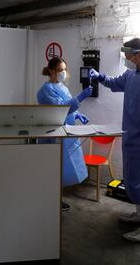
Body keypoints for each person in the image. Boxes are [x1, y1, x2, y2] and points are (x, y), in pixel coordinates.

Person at [89, 38, 140, 243]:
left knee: (138, 182)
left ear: (139, 55)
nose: (126, 59)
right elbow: (114, 83)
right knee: (133, 180)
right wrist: (99, 76)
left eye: (128, 55)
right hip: (130, 136)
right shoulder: (131, 74)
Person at [37, 57, 93, 211]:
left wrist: (77, 115)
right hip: (54, 133)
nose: (63, 73)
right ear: (51, 71)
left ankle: (56, 199)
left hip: (67, 131)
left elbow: (68, 103)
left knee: (63, 168)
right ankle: (51, 201)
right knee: (54, 168)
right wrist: (81, 96)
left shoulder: (62, 87)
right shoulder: (45, 90)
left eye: (64, 69)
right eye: (60, 70)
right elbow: (61, 108)